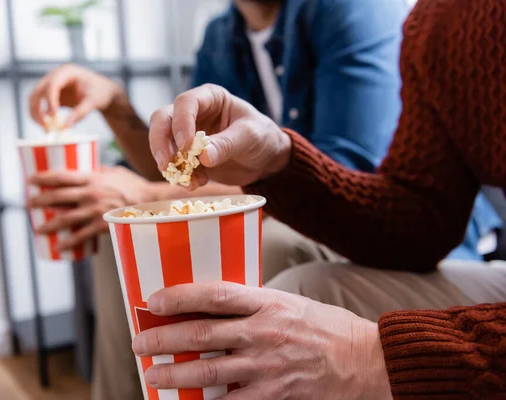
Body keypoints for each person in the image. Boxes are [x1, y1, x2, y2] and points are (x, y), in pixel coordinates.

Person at [27, 0, 410, 398]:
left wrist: (147, 195)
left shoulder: (351, 9)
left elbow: (346, 174)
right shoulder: (220, 35)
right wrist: (116, 104)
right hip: (285, 211)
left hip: (364, 229)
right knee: (122, 242)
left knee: (271, 247)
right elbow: (186, 168)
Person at [138, 0, 506, 397]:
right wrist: (278, 163)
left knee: (277, 252)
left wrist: (371, 357)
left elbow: (353, 156)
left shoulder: (351, 11)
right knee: (302, 289)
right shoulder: (441, 20)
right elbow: (421, 222)